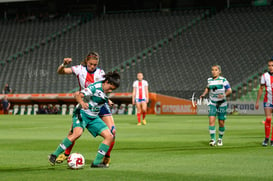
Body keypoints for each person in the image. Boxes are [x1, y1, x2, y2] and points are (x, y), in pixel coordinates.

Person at [48, 71, 120, 168]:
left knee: (109, 136)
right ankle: (54, 155)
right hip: (82, 113)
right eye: (110, 88)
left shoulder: (105, 89)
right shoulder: (94, 87)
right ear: (106, 82)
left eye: (113, 89)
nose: (110, 90)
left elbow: (101, 95)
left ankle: (96, 163)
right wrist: (82, 103)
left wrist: (108, 100)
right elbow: (77, 94)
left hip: (93, 117)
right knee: (77, 133)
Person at [56, 51, 116, 166]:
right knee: (74, 131)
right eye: (90, 64)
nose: (93, 66)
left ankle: (106, 156)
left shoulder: (101, 73)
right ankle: (66, 154)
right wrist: (63, 64)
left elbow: (104, 88)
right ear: (86, 62)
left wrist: (107, 99)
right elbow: (60, 72)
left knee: (112, 131)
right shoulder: (79, 69)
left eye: (95, 64)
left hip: (100, 104)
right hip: (85, 104)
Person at [200, 65, 232, 146]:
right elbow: (207, 88)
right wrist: (203, 94)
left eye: (216, 70)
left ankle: (220, 139)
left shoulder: (223, 80)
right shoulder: (209, 80)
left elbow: (229, 90)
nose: (214, 71)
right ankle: (213, 140)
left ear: (219, 71)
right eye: (212, 70)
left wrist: (224, 95)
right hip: (212, 103)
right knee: (211, 121)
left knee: (221, 122)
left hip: (222, 103)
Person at [255, 58, 273, 146]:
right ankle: (266, 139)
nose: (270, 67)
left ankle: (272, 140)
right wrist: (257, 101)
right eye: (269, 65)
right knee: (268, 119)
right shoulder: (264, 76)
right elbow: (261, 88)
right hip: (268, 100)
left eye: (272, 65)